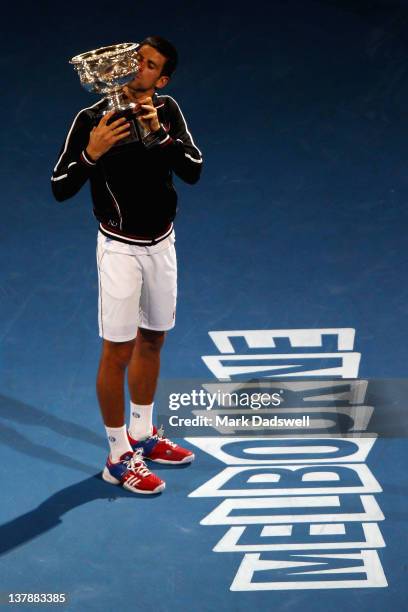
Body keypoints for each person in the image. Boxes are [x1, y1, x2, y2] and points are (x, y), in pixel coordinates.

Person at [51, 36, 203, 494]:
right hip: (119, 250)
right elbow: (60, 186)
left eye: (150, 65)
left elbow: (193, 169)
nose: (138, 69)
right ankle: (117, 456)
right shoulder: (91, 119)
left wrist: (162, 135)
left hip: (163, 245)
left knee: (153, 341)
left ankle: (142, 432)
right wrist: (91, 152)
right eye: (137, 60)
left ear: (163, 78)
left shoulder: (168, 110)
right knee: (116, 352)